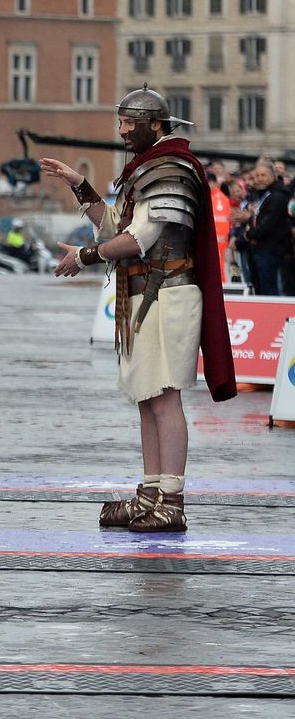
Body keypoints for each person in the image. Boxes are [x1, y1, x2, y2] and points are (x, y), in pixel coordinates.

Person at [43, 85, 235, 532]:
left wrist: (85, 256)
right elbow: (116, 224)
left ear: (155, 124)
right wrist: (79, 184)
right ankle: (151, 491)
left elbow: (137, 240)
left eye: (130, 123)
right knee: (148, 398)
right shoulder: (146, 169)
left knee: (165, 397)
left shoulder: (170, 168)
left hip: (168, 294)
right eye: (121, 122)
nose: (123, 130)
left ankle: (172, 498)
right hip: (147, 293)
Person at [242, 161, 292, 296]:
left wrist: (250, 234)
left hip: (271, 250)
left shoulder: (277, 196)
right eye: (257, 176)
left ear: (272, 176)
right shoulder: (265, 194)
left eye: (263, 175)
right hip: (261, 250)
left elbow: (268, 225)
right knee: (262, 290)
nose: (259, 179)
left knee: (270, 292)